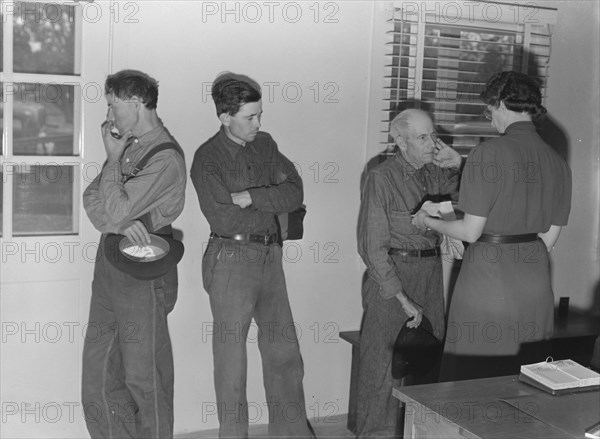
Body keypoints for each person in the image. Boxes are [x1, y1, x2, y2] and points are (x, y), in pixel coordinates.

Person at [412, 71, 572, 381]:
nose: (490, 119)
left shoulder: (487, 153)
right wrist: (464, 167)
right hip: (534, 282)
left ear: (501, 104)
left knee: (474, 380)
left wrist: (426, 219)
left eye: (489, 110)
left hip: (488, 282)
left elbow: (470, 232)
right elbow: (549, 238)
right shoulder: (557, 161)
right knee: (524, 381)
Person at [190, 72, 315, 439]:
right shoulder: (207, 159)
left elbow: (295, 192)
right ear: (225, 117)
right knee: (231, 364)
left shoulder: (266, 145)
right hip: (230, 258)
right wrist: (268, 203)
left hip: (270, 257)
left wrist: (252, 197)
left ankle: (293, 435)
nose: (258, 123)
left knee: (285, 354)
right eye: (250, 117)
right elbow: (224, 217)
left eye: (260, 114)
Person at [82, 69, 186, 439]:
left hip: (144, 275)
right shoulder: (130, 146)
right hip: (110, 265)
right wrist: (120, 220)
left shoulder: (166, 157)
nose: (108, 116)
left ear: (135, 102)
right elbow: (92, 200)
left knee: (146, 380)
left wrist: (112, 164)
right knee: (98, 377)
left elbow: (117, 208)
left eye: (112, 105)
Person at [356, 109, 463, 438]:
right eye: (421, 137)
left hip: (430, 275)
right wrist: (401, 298)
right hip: (392, 279)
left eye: (433, 135)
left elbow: (470, 202)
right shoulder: (381, 178)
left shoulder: (436, 173)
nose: (432, 143)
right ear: (399, 141)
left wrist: (457, 165)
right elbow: (371, 247)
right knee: (381, 371)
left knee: (428, 363)